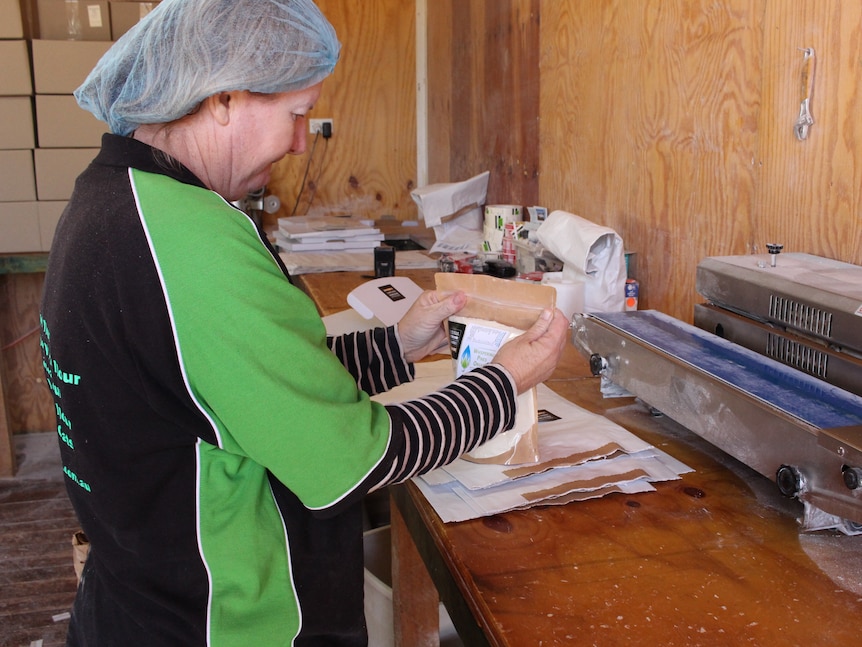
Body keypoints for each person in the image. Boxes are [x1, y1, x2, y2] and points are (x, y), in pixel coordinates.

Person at [39, 0, 569, 644]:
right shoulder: (193, 244)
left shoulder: (113, 200)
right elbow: (356, 461)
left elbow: (238, 387)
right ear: (224, 96)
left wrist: (395, 347)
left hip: (137, 602)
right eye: (295, 113)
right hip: (227, 620)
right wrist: (504, 383)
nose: (299, 140)